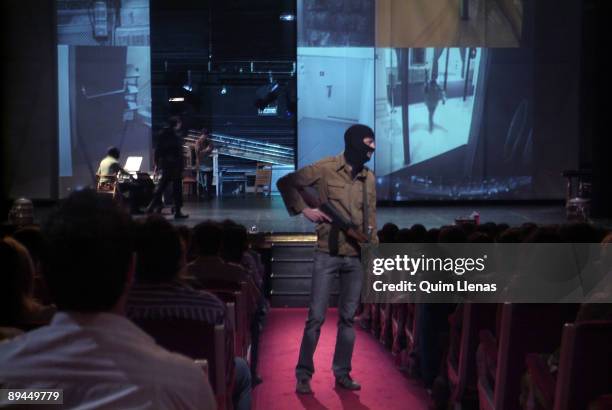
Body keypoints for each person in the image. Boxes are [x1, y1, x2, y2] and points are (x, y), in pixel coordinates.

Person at [0, 190, 215, 409]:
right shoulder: (185, 385)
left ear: (41, 276)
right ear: (131, 270)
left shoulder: (9, 376)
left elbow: (49, 397)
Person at [277, 124, 378, 394]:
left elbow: (370, 221)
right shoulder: (325, 168)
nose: (373, 147)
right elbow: (287, 183)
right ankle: (303, 374)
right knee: (316, 318)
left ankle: (342, 373)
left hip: (355, 256)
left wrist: (374, 254)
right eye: (369, 142)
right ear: (356, 142)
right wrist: (304, 209)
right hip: (327, 254)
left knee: (348, 320)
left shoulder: (370, 178)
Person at [126, 215, 251, 410]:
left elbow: (59, 397)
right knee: (242, 369)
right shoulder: (210, 308)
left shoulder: (119, 311)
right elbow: (226, 377)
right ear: (180, 260)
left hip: (133, 397)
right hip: (198, 396)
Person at [146, 116, 189, 219]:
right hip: (174, 166)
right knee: (176, 189)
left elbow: (158, 150)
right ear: (177, 123)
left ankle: (150, 207)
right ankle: (177, 211)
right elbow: (178, 153)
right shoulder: (174, 135)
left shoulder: (163, 134)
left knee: (162, 186)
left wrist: (157, 163)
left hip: (166, 164)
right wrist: (182, 167)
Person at [195, 128, 215, 198]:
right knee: (201, 180)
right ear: (202, 135)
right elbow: (198, 154)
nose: (206, 137)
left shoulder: (208, 141)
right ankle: (201, 193)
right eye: (205, 136)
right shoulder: (198, 142)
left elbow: (212, 148)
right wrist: (206, 150)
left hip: (208, 163)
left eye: (207, 136)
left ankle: (209, 193)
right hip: (201, 163)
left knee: (210, 178)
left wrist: (211, 146)